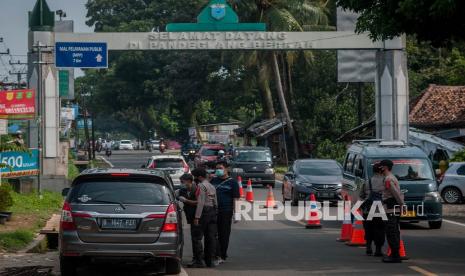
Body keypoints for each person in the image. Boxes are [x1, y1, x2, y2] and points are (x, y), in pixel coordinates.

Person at [211, 161, 241, 264]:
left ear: (226, 169)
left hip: (226, 211)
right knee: (212, 233)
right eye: (217, 168)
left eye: (220, 168)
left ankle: (221, 255)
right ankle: (214, 253)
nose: (218, 170)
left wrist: (236, 213)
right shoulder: (213, 180)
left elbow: (236, 199)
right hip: (213, 211)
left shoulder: (233, 182)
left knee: (223, 234)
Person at [191, 168, 218, 268]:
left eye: (195, 176)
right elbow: (215, 201)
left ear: (199, 177)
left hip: (204, 212)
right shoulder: (211, 186)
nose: (194, 178)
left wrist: (197, 217)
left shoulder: (201, 186)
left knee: (197, 237)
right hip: (212, 212)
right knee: (210, 237)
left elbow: (200, 202)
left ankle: (199, 261)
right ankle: (210, 261)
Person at [379, 159, 405, 263]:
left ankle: (395, 256)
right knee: (394, 231)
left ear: (385, 167)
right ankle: (395, 254)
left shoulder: (388, 179)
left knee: (391, 232)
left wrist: (402, 204)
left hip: (391, 209)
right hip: (392, 208)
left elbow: (396, 194)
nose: (379, 168)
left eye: (381, 166)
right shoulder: (390, 178)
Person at [176, 174, 203, 267]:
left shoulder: (197, 189)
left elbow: (199, 203)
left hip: (198, 217)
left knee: (196, 239)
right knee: (194, 238)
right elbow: (177, 196)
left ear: (189, 181)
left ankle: (199, 260)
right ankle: (196, 258)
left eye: (182, 182)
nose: (181, 184)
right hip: (191, 217)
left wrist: (186, 201)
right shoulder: (183, 190)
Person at [360, 163, 385, 257]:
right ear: (381, 171)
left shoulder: (367, 182)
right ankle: (378, 250)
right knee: (380, 229)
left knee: (368, 228)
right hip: (381, 209)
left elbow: (361, 196)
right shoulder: (385, 181)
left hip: (368, 209)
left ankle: (368, 247)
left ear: (373, 171)